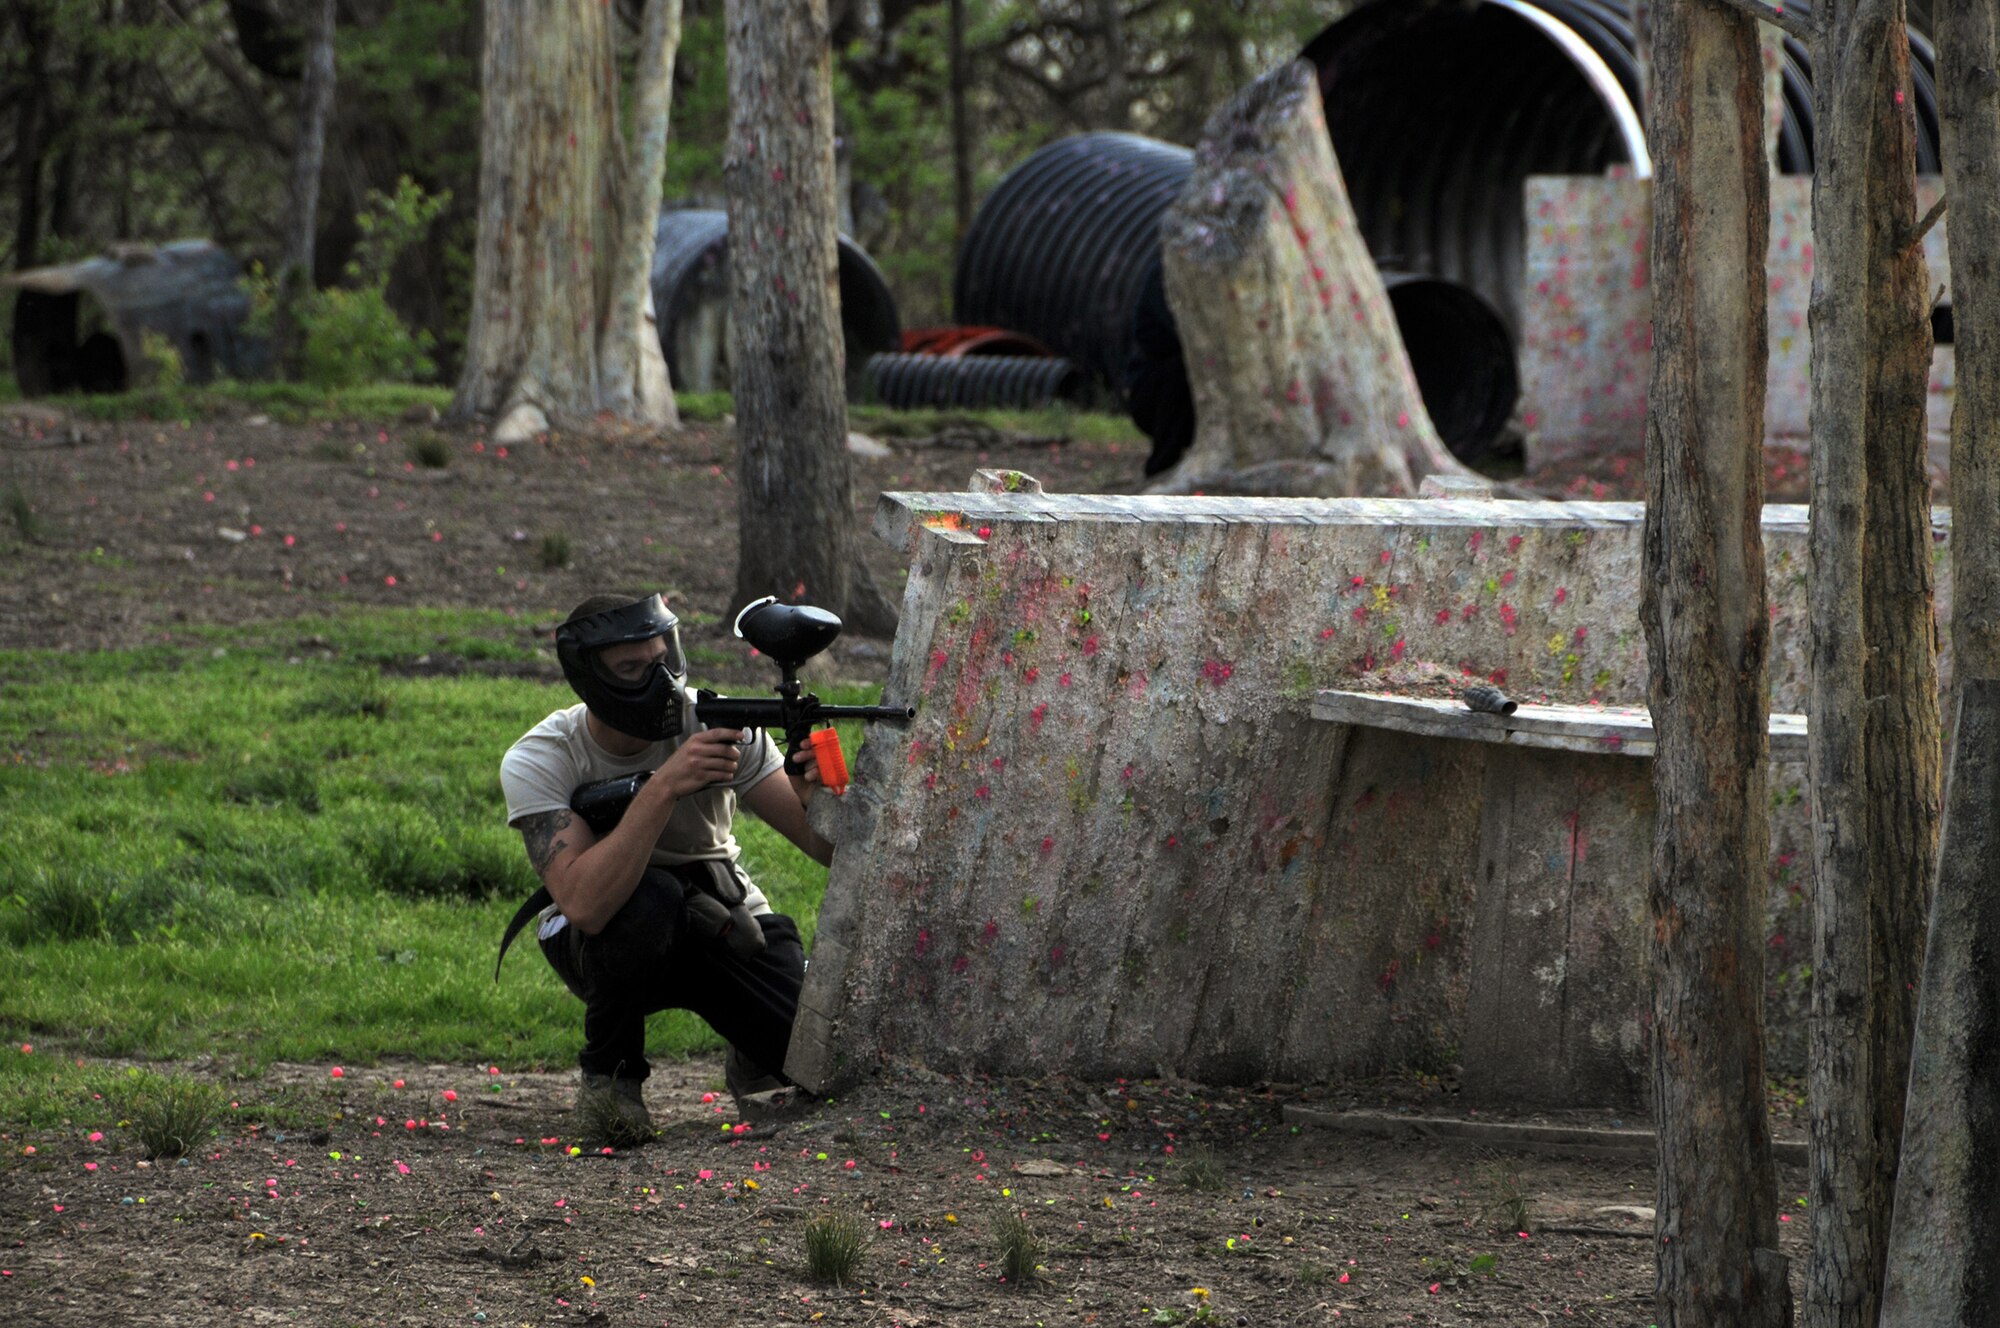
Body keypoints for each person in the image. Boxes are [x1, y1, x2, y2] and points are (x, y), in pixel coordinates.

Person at [498, 592, 832, 1139]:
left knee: (817, 1063)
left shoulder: (718, 722)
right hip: (608, 938)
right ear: (590, 677)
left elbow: (826, 851)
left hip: (727, 921)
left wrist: (824, 795)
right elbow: (584, 904)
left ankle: (752, 1050)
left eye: (661, 659)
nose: (659, 681)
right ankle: (611, 1084)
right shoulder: (543, 756)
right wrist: (665, 787)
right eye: (632, 668)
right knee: (647, 901)